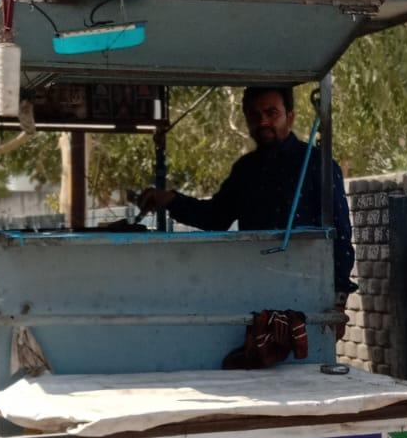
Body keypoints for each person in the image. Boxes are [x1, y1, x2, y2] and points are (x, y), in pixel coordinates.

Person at [138, 85, 357, 309]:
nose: (262, 122)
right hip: (256, 291)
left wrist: (339, 300)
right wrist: (169, 199)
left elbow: (339, 234)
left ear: (290, 117)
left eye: (272, 113)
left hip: (309, 292)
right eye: (255, 115)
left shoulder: (318, 164)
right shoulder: (245, 170)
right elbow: (215, 217)